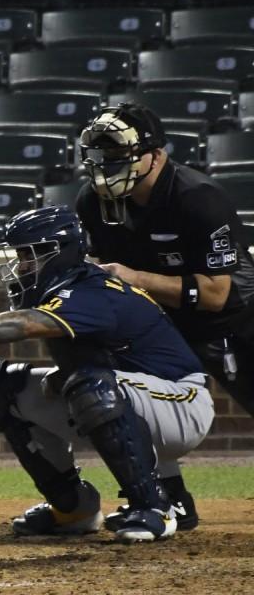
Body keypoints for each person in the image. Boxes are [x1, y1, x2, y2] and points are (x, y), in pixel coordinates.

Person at [0, 205, 213, 543]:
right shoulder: (64, 291)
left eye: (30, 255)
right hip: (134, 398)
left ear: (60, 252)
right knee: (4, 386)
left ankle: (156, 508)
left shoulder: (91, 290)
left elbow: (28, 324)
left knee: (91, 387)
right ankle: (73, 509)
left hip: (182, 402)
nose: (21, 266)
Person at [73, 102, 254, 530]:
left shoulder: (198, 199)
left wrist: (135, 278)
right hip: (160, 327)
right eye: (100, 159)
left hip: (233, 322)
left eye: (118, 157)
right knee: (119, 399)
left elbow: (214, 295)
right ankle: (167, 498)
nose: (106, 169)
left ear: (156, 154)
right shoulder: (92, 204)